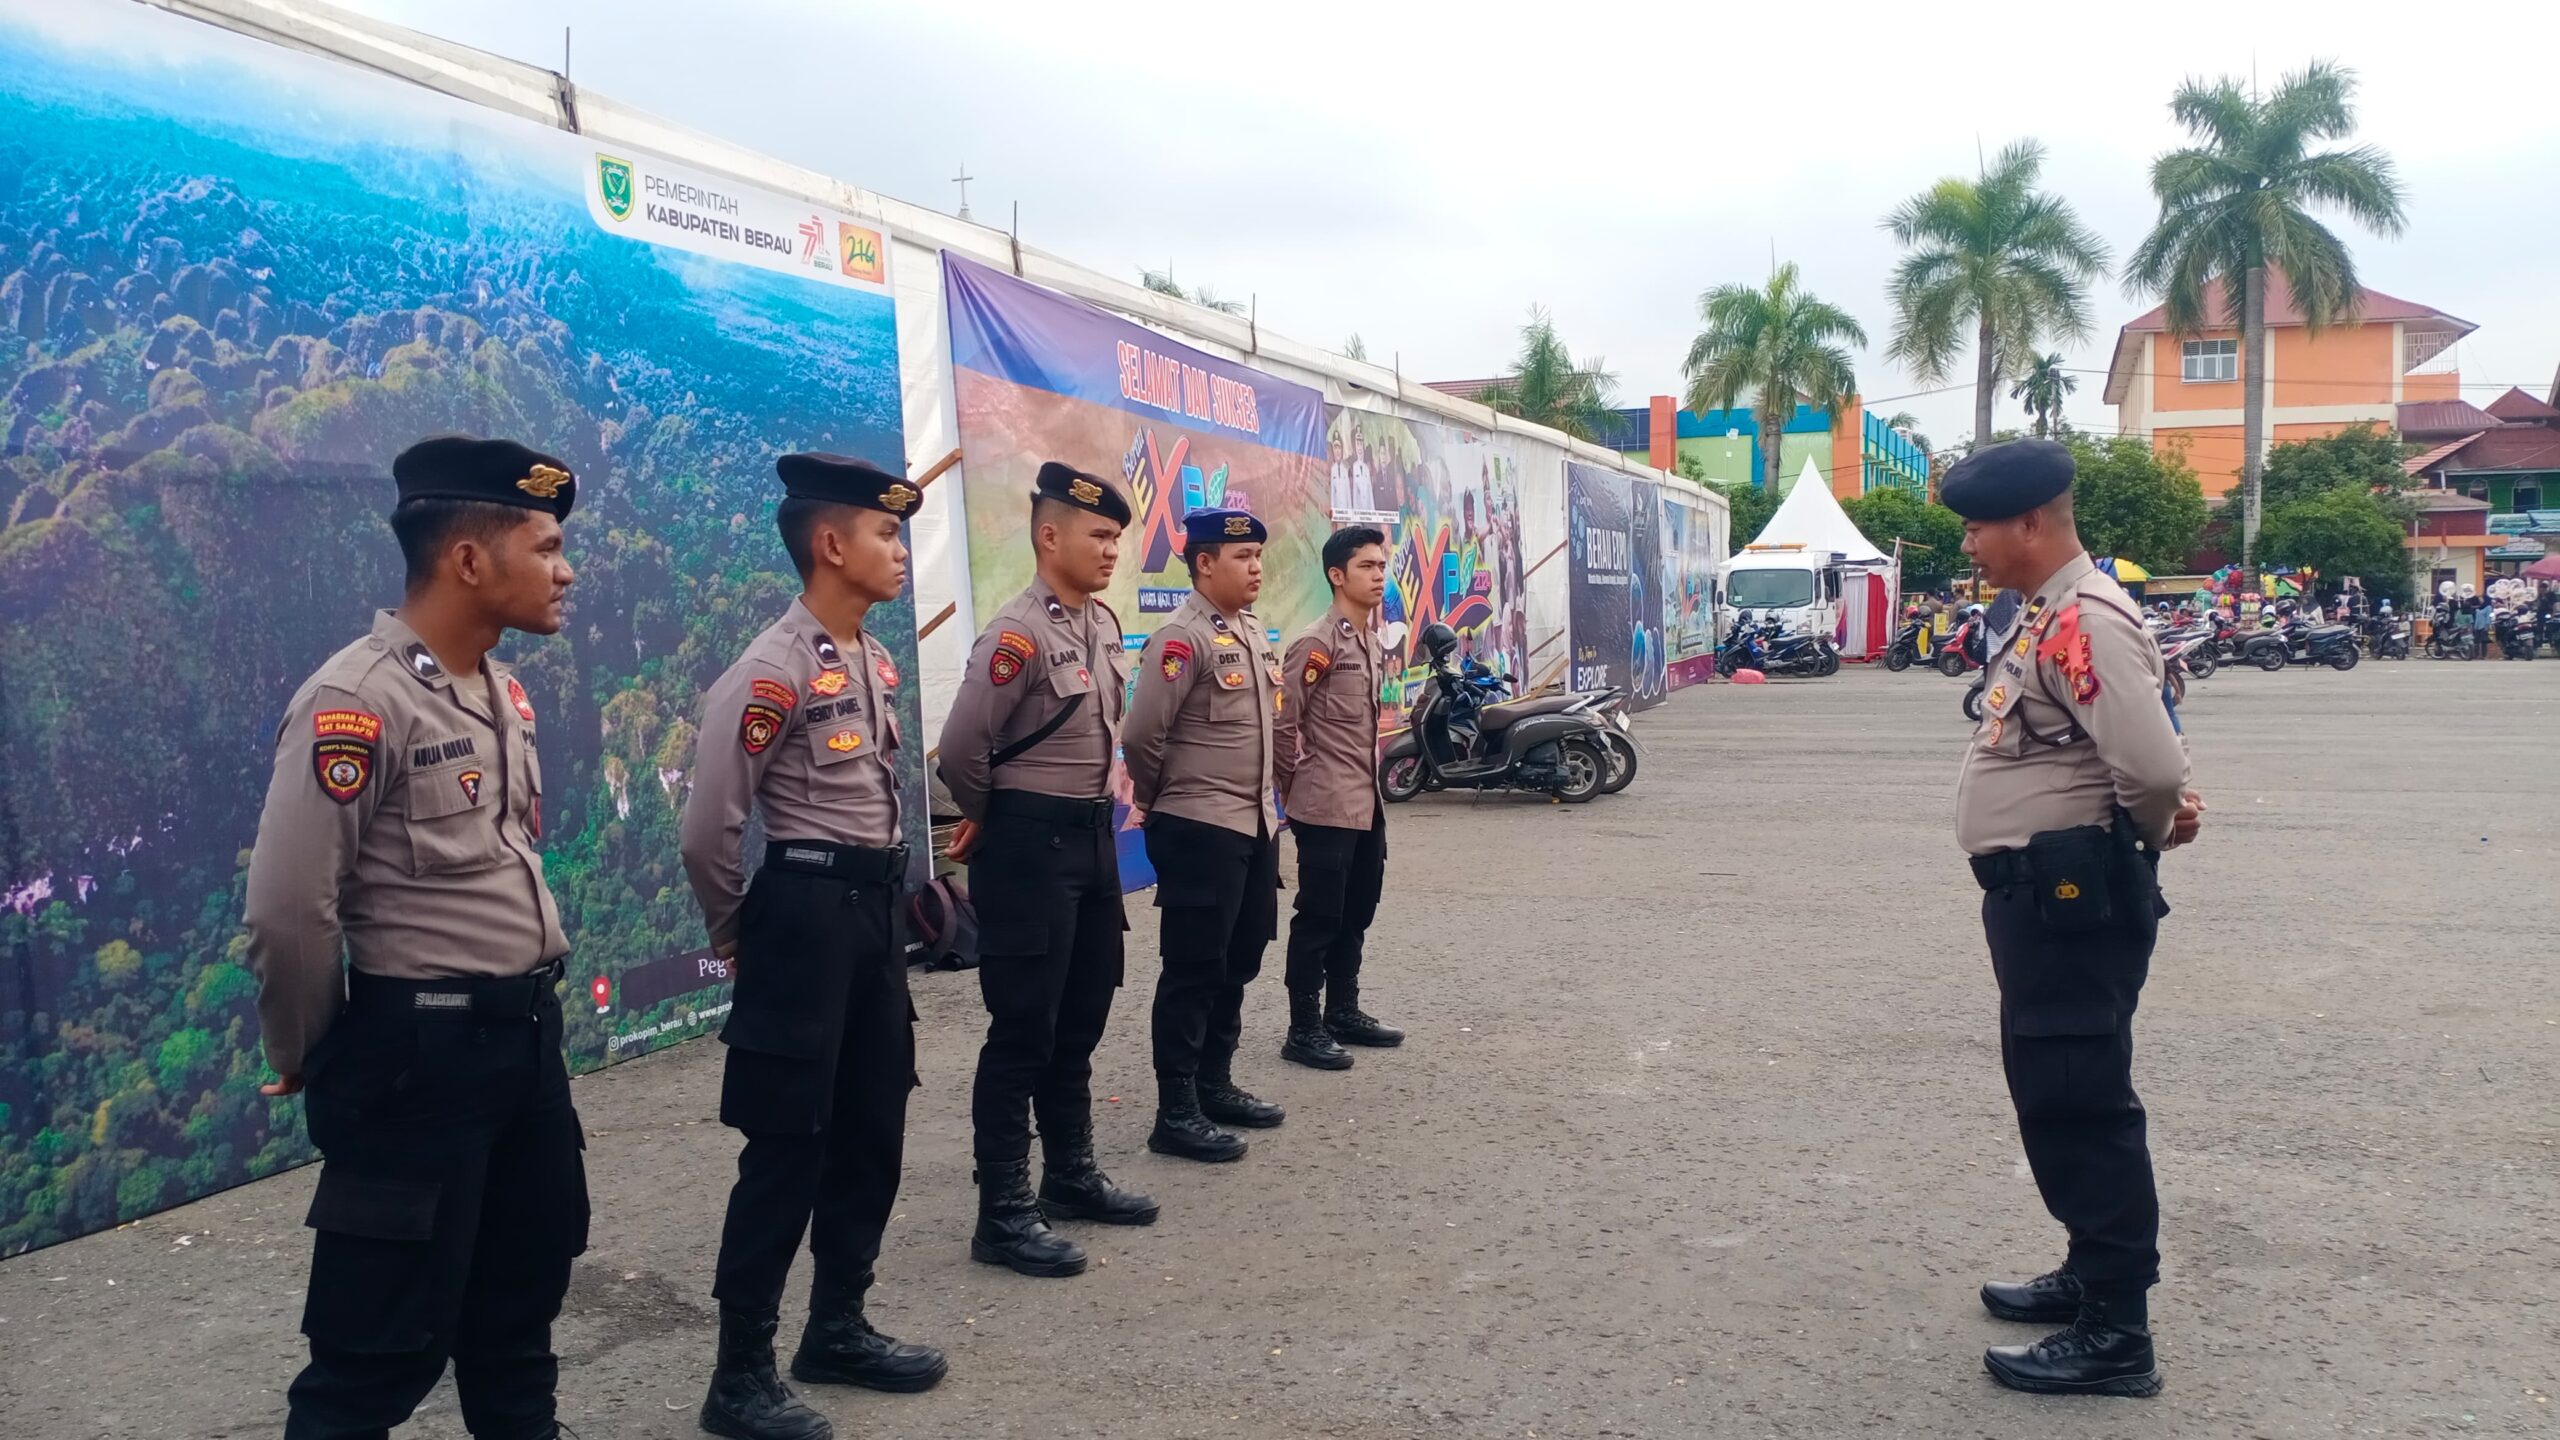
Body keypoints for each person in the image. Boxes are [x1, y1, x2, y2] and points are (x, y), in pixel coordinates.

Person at [243, 434, 587, 1440]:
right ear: (470, 560)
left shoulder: (497, 691)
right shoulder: (357, 701)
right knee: (373, 1356)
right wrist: (316, 1054)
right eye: (546, 546)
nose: (566, 570)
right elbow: (289, 911)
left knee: (518, 1322)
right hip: (418, 1059)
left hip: (524, 1044)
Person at [679, 453, 944, 1440]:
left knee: (873, 1124)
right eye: (885, 533)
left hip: (872, 914)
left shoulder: (868, 656)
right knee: (788, 1144)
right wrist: (740, 934)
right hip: (803, 914)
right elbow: (708, 829)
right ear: (831, 545)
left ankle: (837, 1327)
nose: (900, 551)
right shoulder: (772, 668)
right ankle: (739, 1372)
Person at [1944, 438, 2203, 1399]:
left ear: (2029, 524)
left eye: (1976, 527)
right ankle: (2088, 1271)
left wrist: (2139, 842)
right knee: (2052, 1088)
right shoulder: (2047, 612)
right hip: (2044, 897)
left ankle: (2116, 1333)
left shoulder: (2086, 617)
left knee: (2080, 1099)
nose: (1968, 544)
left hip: (2074, 898)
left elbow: (2155, 770)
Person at [936, 462, 1157, 1280]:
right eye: (1097, 535)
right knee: (1023, 1029)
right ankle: (1002, 1211)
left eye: (1116, 537)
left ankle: (1070, 1175)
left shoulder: (1101, 623)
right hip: (1029, 850)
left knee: (1080, 1019)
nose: (1111, 550)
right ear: (1049, 535)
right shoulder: (1016, 635)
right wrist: (996, 814)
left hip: (1091, 845)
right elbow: (960, 751)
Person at [1124, 508, 1286, 1162]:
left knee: (1239, 959)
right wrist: (1161, 800)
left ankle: (1215, 1085)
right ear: (1204, 563)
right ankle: (1176, 1110)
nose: (1255, 568)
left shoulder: (1249, 631)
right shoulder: (1180, 638)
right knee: (1193, 970)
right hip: (1201, 826)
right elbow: (1142, 736)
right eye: (1242, 557)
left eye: (1257, 556)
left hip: (1254, 823)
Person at [1272, 525, 1402, 1072]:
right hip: (1325, 805)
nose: (1378, 575)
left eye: (1381, 565)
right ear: (1336, 575)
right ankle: (1303, 1028)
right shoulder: (1317, 642)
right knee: (1319, 917)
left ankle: (1342, 1012)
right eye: (1366, 566)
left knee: (1357, 910)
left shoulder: (1367, 639)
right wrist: (1292, 789)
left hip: (1365, 803)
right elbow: (1283, 724)